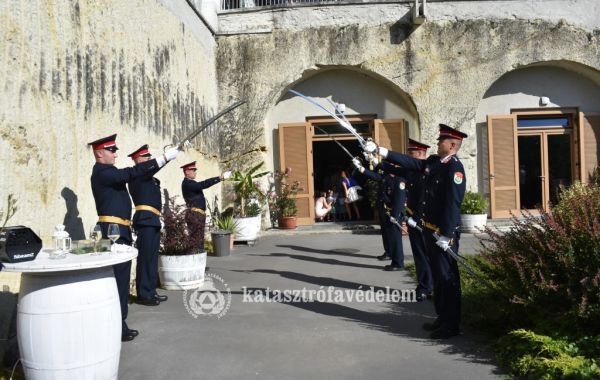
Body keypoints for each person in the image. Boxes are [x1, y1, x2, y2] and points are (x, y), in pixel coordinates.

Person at [364, 124, 467, 339]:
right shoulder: (435, 163)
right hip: (431, 230)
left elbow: (452, 203)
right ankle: (442, 317)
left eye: (441, 141)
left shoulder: (454, 168)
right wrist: (380, 152)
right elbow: (409, 164)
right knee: (439, 278)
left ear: (452, 145)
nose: (437, 143)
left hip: (443, 234)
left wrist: (447, 234)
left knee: (448, 278)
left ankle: (451, 324)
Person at [88, 134, 179, 342]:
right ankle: (117, 324)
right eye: (111, 150)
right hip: (113, 230)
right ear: (99, 153)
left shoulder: (108, 172)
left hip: (121, 229)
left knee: (122, 275)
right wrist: (163, 159)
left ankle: (119, 321)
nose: (115, 153)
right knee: (119, 278)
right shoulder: (102, 172)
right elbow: (131, 173)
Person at [127, 144, 169, 307]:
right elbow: (151, 167)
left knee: (152, 258)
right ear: (137, 160)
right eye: (145, 157)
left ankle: (151, 290)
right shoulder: (138, 175)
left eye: (149, 156)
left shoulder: (149, 177)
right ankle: (144, 294)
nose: (149, 159)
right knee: (145, 258)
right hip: (145, 220)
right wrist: (167, 158)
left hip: (152, 219)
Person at [352, 157, 406, 271]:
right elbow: (374, 176)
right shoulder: (386, 176)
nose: (387, 167)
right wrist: (360, 168)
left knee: (395, 238)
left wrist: (395, 216)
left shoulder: (399, 179)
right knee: (387, 235)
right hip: (385, 211)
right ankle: (390, 253)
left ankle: (398, 263)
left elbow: (399, 200)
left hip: (393, 213)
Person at [181, 161, 231, 250]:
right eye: (193, 170)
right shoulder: (187, 183)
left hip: (197, 214)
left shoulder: (191, 183)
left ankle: (198, 256)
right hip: (194, 214)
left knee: (198, 239)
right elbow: (204, 184)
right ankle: (196, 257)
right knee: (196, 239)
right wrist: (220, 178)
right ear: (187, 171)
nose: (195, 172)